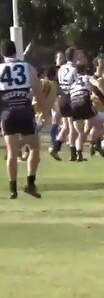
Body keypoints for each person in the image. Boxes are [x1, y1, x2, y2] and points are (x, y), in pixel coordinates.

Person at [0, 40, 45, 199]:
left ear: (2, 54)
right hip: (25, 110)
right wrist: (42, 110)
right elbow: (39, 91)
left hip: (7, 112)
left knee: (11, 152)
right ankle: (30, 183)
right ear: (16, 52)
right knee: (34, 147)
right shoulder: (27, 67)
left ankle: (13, 189)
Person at [69, 64, 104, 161]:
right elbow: (97, 84)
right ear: (86, 70)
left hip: (73, 104)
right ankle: (96, 143)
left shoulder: (74, 83)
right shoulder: (88, 77)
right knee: (101, 124)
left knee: (80, 132)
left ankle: (79, 154)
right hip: (84, 101)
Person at [51, 47, 79, 161]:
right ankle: (73, 154)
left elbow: (58, 82)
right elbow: (76, 84)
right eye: (77, 54)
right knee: (72, 127)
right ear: (74, 56)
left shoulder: (61, 68)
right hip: (70, 97)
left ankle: (55, 148)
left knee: (66, 126)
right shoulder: (73, 69)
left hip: (62, 98)